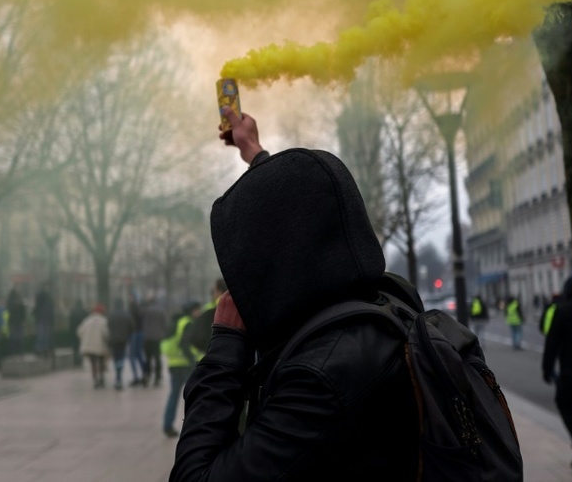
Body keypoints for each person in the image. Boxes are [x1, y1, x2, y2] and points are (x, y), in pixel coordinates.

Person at [170, 107, 422, 481]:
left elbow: (195, 476)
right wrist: (255, 153)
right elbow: (301, 213)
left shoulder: (321, 377)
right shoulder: (375, 307)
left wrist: (224, 349)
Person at [541, 275, 572, 468]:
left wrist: (547, 369)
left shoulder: (561, 312)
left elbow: (551, 343)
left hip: (570, 371)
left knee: (564, 404)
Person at [162, 301, 203, 437]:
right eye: (197, 310)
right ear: (192, 310)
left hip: (174, 363)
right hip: (185, 364)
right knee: (194, 395)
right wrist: (192, 359)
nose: (199, 312)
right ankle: (195, 426)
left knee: (174, 395)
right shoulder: (187, 323)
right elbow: (184, 343)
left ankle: (167, 425)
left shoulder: (178, 321)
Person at [184, 278, 227, 356]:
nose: (212, 293)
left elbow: (196, 338)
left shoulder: (210, 311)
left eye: (214, 290)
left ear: (219, 291)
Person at [77, 303, 110, 389]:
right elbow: (106, 334)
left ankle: (95, 380)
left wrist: (86, 339)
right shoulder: (104, 321)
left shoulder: (87, 320)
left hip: (89, 346)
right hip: (100, 346)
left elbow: (79, 331)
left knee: (93, 364)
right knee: (101, 362)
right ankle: (101, 379)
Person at [107, 298, 135, 390]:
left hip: (113, 340)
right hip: (123, 340)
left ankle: (117, 376)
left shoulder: (110, 315)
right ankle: (119, 376)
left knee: (115, 357)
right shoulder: (126, 315)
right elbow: (131, 327)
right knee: (121, 357)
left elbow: (107, 326)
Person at [142, 294, 168, 388]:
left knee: (148, 358)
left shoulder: (146, 311)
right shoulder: (161, 311)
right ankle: (157, 378)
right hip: (158, 338)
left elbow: (143, 323)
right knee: (157, 358)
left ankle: (147, 376)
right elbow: (164, 324)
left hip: (147, 337)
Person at [127, 293, 147, 386]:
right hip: (141, 332)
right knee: (139, 354)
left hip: (133, 333)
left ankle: (136, 377)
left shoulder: (131, 309)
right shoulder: (141, 309)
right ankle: (145, 373)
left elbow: (130, 323)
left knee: (131, 356)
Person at [33, 284, 55, 356]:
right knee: (43, 334)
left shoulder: (44, 296)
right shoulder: (45, 296)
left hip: (43, 318)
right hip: (44, 318)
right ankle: (41, 348)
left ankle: (42, 348)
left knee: (43, 334)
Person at [6, 288, 27, 356]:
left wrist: (23, 320)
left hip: (16, 322)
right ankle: (15, 352)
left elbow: (23, 312)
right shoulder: (12, 303)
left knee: (18, 338)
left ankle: (18, 352)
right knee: (15, 338)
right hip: (14, 322)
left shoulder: (19, 303)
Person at [69, 298, 88, 367]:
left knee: (75, 347)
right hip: (82, 332)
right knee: (81, 346)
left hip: (74, 332)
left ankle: (75, 360)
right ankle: (80, 360)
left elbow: (70, 323)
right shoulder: (84, 312)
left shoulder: (73, 312)